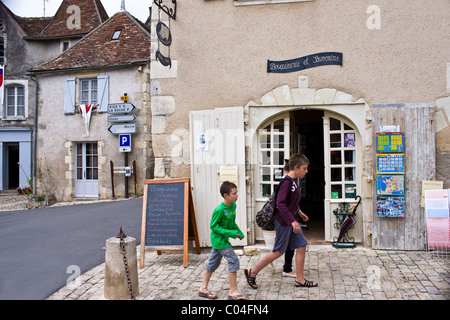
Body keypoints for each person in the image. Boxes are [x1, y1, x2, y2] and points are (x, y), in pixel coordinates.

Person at [245, 154, 318, 289]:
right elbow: (280, 204)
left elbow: (291, 202)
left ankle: (300, 280)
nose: (306, 171)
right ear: (296, 168)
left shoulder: (295, 181)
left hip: (291, 220)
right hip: (284, 222)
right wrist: (292, 221)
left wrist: (300, 214)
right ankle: (252, 271)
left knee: (301, 245)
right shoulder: (287, 182)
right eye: (304, 168)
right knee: (278, 251)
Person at [198, 181, 246, 300]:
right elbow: (213, 226)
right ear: (226, 195)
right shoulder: (219, 210)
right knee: (233, 260)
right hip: (219, 241)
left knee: (213, 263)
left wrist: (238, 232)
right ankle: (233, 291)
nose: (237, 195)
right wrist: (232, 233)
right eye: (234, 193)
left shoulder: (233, 206)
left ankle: (203, 289)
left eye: (237, 193)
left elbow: (231, 223)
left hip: (222, 240)